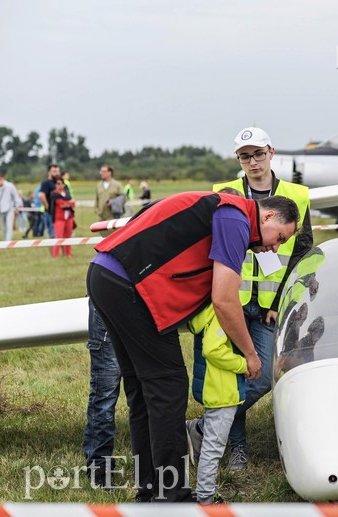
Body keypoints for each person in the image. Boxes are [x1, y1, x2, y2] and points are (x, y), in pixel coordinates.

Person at [87, 191, 300, 501]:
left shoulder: (220, 208)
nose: (275, 247)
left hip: (105, 275)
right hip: (131, 287)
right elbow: (225, 299)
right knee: (168, 387)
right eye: (279, 237)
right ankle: (172, 497)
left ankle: (150, 491)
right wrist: (251, 354)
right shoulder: (235, 217)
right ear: (266, 217)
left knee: (143, 391)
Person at [185, 127, 312, 472]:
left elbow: (301, 252)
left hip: (271, 304)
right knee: (228, 373)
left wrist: (279, 302)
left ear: (271, 152)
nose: (252, 161)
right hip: (231, 301)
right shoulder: (223, 193)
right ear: (238, 159)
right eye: (245, 156)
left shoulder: (297, 195)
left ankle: (204, 429)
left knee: (266, 374)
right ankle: (236, 448)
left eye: (258, 153)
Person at [188, 304, 248, 504]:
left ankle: (207, 492)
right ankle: (206, 497)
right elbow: (213, 349)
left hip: (215, 387)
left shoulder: (205, 311)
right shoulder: (219, 310)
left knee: (212, 445)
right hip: (222, 390)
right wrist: (242, 364)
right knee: (213, 447)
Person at [82, 300, 121, 488]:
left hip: (143, 298)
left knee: (143, 395)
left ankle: (150, 467)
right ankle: (99, 467)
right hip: (109, 299)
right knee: (105, 395)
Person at [49, 176, 76, 257]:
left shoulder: (67, 193)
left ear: (64, 185)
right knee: (59, 237)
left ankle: (67, 253)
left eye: (61, 183)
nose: (60, 185)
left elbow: (73, 203)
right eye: (58, 184)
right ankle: (55, 255)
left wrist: (68, 203)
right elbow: (62, 204)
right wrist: (69, 203)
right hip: (59, 218)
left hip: (69, 218)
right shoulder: (54, 194)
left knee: (68, 236)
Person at [94, 165, 124, 230]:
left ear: (109, 173)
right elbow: (97, 199)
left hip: (113, 216)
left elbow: (123, 197)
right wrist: (97, 210)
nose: (101, 173)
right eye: (101, 171)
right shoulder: (98, 185)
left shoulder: (117, 184)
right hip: (101, 216)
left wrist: (113, 202)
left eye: (103, 171)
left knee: (113, 235)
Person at [0, 174, 22, 241]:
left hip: (10, 209)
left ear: (1, 179)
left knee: (9, 226)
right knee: (3, 227)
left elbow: (15, 197)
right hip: (1, 210)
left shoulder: (10, 186)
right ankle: (5, 241)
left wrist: (17, 207)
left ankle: (8, 242)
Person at [39, 164, 61, 238]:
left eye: (58, 171)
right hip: (50, 213)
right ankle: (53, 250)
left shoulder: (59, 182)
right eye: (54, 171)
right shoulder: (46, 183)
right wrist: (48, 207)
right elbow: (41, 195)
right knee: (52, 234)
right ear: (49, 172)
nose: (57, 173)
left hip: (59, 213)